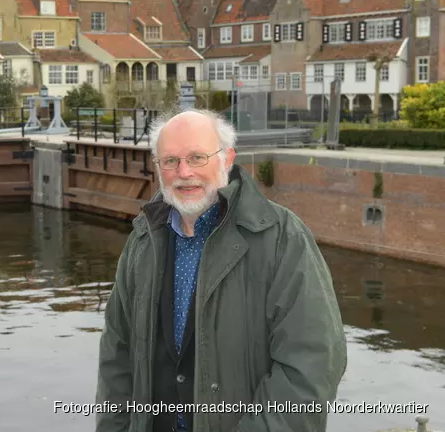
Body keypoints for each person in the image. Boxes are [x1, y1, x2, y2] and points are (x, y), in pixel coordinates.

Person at [94, 108, 347, 432]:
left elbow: (312, 364)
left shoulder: (281, 238)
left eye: (197, 157)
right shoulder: (144, 241)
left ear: (227, 159)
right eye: (170, 161)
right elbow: (117, 356)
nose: (184, 172)